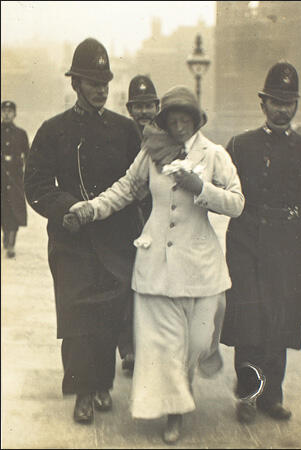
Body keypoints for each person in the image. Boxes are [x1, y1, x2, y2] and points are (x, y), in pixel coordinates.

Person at [68, 85, 245, 443]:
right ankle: (174, 412)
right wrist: (91, 209)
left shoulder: (213, 155)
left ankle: (196, 369)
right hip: (156, 266)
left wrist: (201, 188)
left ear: (196, 121)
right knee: (165, 348)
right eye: (173, 120)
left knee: (195, 342)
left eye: (185, 120)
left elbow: (237, 203)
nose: (179, 127)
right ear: (164, 122)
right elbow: (126, 188)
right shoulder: (151, 154)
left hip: (200, 267)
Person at [24, 38, 142, 424]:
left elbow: (138, 184)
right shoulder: (52, 130)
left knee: (109, 316)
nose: (102, 88)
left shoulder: (126, 131)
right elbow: (36, 184)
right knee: (76, 320)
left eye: (105, 80)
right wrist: (67, 208)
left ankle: (102, 383)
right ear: (75, 83)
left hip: (114, 241)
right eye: (93, 81)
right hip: (71, 241)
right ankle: (82, 392)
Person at [220, 61, 301, 424]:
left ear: (297, 106)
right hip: (246, 246)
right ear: (262, 103)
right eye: (275, 101)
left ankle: (272, 396)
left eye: (288, 102)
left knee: (280, 321)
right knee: (249, 322)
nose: (281, 109)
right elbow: (219, 189)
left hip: (288, 249)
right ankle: (248, 395)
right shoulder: (240, 145)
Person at [117, 75, 160, 375]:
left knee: (153, 288)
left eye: (149, 106)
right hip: (126, 223)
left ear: (157, 107)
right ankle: (128, 350)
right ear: (130, 109)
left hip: (156, 222)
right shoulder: (119, 136)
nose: (143, 112)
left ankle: (150, 346)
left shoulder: (166, 137)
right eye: (138, 107)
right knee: (125, 285)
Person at [1, 101, 29, 258]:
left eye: (9, 111)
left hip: (16, 179)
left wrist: (27, 175)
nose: (6, 114)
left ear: (14, 114)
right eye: (4, 111)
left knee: (15, 210)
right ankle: (6, 236)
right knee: (3, 209)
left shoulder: (21, 134)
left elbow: (28, 155)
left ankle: (11, 244)